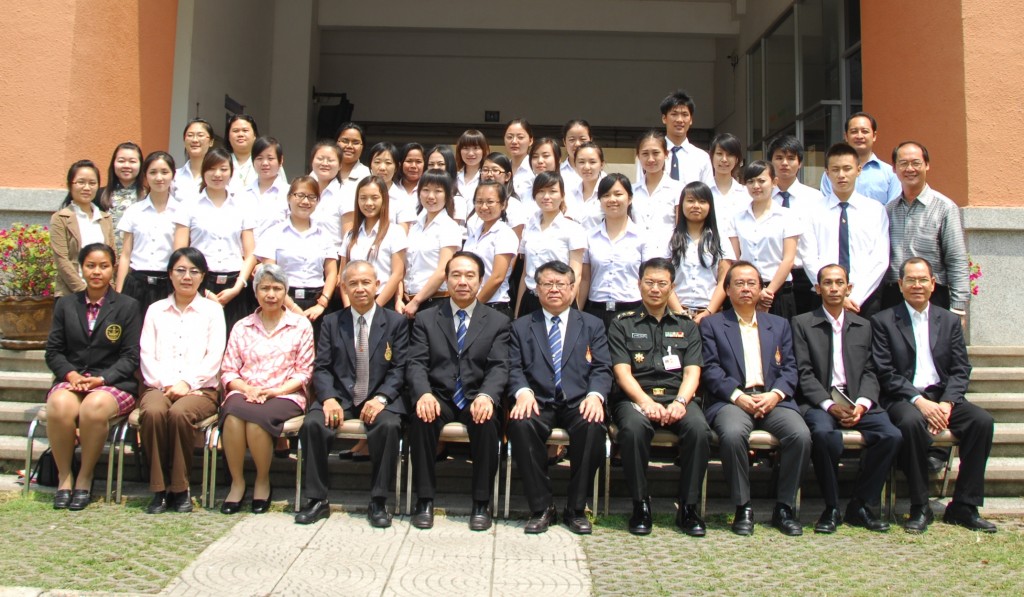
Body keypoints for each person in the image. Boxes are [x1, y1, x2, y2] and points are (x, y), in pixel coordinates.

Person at [871, 257, 996, 533]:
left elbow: (961, 368)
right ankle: (920, 505)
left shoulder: (949, 320)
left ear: (933, 284)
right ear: (900, 285)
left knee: (981, 422)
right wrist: (920, 403)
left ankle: (964, 505)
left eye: (923, 279)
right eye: (911, 280)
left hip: (943, 397)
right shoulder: (883, 321)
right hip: (904, 399)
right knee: (911, 423)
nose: (917, 285)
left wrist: (947, 404)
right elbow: (885, 372)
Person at [699, 261, 809, 536]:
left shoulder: (780, 324)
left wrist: (775, 394)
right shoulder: (713, 324)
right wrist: (737, 396)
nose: (746, 289)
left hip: (773, 399)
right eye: (739, 283)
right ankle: (742, 506)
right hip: (731, 400)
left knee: (800, 435)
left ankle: (784, 507)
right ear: (726, 289)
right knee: (734, 433)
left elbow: (791, 368)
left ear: (761, 288)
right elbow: (710, 369)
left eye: (752, 283)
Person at [296, 260, 409, 527]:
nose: (360, 288)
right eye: (353, 283)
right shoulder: (332, 322)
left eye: (366, 282)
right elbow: (321, 367)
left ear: (377, 285)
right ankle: (316, 500)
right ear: (344, 287)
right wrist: (328, 398)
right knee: (313, 424)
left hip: (381, 398)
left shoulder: (395, 322)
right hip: (341, 397)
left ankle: (379, 501)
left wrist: (381, 399)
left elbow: (400, 368)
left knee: (390, 426)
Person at [792, 264, 901, 534]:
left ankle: (860, 505)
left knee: (891, 435)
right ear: (817, 289)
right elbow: (803, 373)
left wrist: (862, 404)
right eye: (827, 283)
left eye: (839, 283)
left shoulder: (864, 325)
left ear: (848, 288)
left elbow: (871, 371)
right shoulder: (802, 323)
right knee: (823, 435)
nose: (833, 288)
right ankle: (831, 507)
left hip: (858, 401)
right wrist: (830, 405)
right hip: (820, 402)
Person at [406, 252, 510, 530]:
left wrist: (488, 396)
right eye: (456, 275)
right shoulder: (427, 319)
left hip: (476, 395)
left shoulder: (497, 321)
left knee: (487, 423)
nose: (462, 281)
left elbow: (500, 366)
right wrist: (424, 394)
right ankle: (424, 500)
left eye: (469, 275)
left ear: (480, 280)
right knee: (421, 418)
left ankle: (481, 503)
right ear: (446, 279)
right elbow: (415, 362)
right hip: (438, 395)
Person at [507, 260, 611, 535]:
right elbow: (513, 366)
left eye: (561, 284)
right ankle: (541, 507)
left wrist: (595, 395)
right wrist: (523, 391)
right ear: (536, 288)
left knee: (592, 427)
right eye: (547, 284)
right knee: (520, 424)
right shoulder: (521, 326)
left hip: (579, 401)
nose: (554, 290)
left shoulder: (592, 324)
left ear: (573, 287)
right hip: (538, 400)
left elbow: (602, 367)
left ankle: (576, 509)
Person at [608, 257, 709, 536]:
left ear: (672, 287)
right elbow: (622, 373)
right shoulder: (621, 323)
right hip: (635, 399)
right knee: (633, 429)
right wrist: (646, 403)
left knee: (699, 429)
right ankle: (640, 504)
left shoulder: (686, 325)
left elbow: (692, 373)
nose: (655, 289)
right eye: (649, 282)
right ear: (639, 284)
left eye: (662, 283)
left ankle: (688, 508)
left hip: (678, 398)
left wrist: (680, 402)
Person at [44, 243, 141, 510]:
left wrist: (103, 379)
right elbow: (53, 351)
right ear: (81, 268)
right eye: (90, 265)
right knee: (59, 404)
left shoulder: (127, 306)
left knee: (94, 407)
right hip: (73, 379)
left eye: (103, 266)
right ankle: (65, 478)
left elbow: (131, 356)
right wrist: (71, 374)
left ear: (113, 269)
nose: (96, 272)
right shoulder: (65, 305)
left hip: (111, 382)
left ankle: (85, 476)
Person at [219, 264, 314, 514]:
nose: (271, 294)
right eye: (265, 288)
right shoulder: (242, 326)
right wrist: (245, 388)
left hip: (286, 393)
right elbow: (228, 370)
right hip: (245, 390)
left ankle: (262, 480)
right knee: (232, 415)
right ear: (255, 291)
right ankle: (237, 482)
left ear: (286, 292)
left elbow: (304, 372)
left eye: (277, 288)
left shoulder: (300, 325)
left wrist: (275, 391)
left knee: (256, 420)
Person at [137, 247, 225, 514]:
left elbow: (215, 355)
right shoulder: (155, 310)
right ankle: (159, 489)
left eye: (194, 271)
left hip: (200, 389)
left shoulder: (212, 311)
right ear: (170, 274)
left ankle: (180, 488)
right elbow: (145, 352)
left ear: (203, 277)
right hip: (158, 385)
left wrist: (187, 383)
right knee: (153, 412)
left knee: (178, 414)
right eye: (181, 270)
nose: (187, 277)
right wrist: (164, 384)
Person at [882, 141, 970, 323]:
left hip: (933, 295)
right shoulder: (887, 210)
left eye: (916, 163)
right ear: (894, 169)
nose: (909, 169)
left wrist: (959, 308)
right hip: (893, 295)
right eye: (903, 163)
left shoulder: (945, 208)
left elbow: (956, 259)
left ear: (927, 165)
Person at [172, 147, 257, 333]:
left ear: (231, 173)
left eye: (223, 169)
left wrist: (237, 287)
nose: (217, 174)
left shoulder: (243, 206)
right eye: (211, 169)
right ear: (203, 172)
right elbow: (179, 253)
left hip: (235, 285)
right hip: (199, 285)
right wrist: (203, 290)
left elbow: (250, 253)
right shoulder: (188, 205)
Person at [802, 143, 890, 319]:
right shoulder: (812, 210)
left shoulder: (875, 210)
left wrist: (855, 297)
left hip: (864, 299)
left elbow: (880, 259)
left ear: (858, 170)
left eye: (847, 169)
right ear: (827, 173)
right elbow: (808, 256)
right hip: (823, 298)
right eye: (835, 169)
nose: (841, 175)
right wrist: (831, 291)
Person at [256, 176, 339, 339]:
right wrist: (293, 308)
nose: (305, 201)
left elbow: (331, 273)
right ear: (289, 198)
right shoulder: (273, 233)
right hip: (282, 303)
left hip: (317, 306)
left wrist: (322, 303)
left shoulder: (325, 235)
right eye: (300, 195)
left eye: (311, 197)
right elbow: (270, 276)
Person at [731, 160, 802, 319]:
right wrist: (752, 291)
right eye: (750, 181)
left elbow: (788, 259)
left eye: (761, 181)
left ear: (774, 182)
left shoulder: (788, 216)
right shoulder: (737, 218)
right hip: (746, 293)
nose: (756, 186)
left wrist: (768, 292)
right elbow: (735, 259)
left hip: (778, 293)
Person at [578, 174, 651, 328]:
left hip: (632, 311)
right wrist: (576, 313)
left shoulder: (643, 236)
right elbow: (585, 279)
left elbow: (649, 278)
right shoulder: (589, 236)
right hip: (596, 310)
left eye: (618, 194)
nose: (612, 199)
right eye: (606, 195)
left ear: (630, 198)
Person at [115, 151, 179, 315]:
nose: (159, 178)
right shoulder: (134, 211)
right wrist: (118, 293)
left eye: (164, 172)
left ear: (173, 174)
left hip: (167, 286)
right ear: (145, 176)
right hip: (136, 284)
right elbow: (126, 255)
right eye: (153, 172)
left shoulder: (181, 212)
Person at [516, 172, 586, 317]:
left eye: (552, 191)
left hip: (559, 300)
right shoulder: (529, 227)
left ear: (562, 195)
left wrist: (564, 308)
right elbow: (525, 274)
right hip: (530, 299)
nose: (546, 196)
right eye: (541, 191)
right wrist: (517, 312)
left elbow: (576, 274)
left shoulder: (573, 229)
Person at [663, 181, 733, 323]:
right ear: (681, 204)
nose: (696, 206)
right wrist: (680, 313)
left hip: (711, 315)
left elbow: (723, 281)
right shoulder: (669, 238)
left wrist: (708, 312)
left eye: (702, 201)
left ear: (710, 206)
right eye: (690, 201)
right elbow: (665, 279)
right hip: (676, 314)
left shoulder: (720, 238)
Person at [769, 135, 823, 315]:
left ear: (800, 163)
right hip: (772, 276)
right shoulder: (762, 198)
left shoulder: (815, 198)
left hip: (804, 276)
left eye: (791, 158)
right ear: (771, 162)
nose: (785, 163)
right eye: (779, 158)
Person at [398, 171, 462, 319]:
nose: (431, 196)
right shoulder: (415, 227)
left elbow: (442, 271)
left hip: (435, 302)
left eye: (438, 191)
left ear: (447, 195)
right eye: (426, 190)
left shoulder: (449, 227)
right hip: (408, 301)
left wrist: (416, 301)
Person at [340, 176, 407, 310]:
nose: (368, 203)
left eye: (374, 198)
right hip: (353, 304)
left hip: (382, 303)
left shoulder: (395, 232)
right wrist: (349, 309)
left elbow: (397, 274)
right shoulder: (350, 235)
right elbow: (343, 274)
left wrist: (374, 309)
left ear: (384, 200)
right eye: (363, 198)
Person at [51, 160, 116, 297]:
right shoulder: (61, 218)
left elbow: (112, 257)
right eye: (81, 182)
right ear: (70, 185)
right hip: (71, 295)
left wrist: (109, 290)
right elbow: (62, 260)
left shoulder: (105, 219)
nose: (87, 188)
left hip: (103, 297)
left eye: (92, 183)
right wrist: (84, 292)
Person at [462, 181, 518, 317]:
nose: (484, 206)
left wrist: (474, 305)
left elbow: (498, 277)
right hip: (470, 305)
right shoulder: (474, 234)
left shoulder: (504, 233)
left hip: (493, 306)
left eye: (490, 202)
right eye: (479, 201)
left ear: (503, 204)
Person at [819, 112, 900, 205]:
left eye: (865, 131)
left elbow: (893, 210)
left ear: (874, 136)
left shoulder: (890, 173)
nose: (859, 136)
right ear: (846, 136)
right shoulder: (831, 173)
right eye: (854, 131)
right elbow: (826, 206)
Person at [632, 130, 684, 231]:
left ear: (666, 154)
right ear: (638, 156)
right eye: (645, 154)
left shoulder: (678, 190)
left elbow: (681, 229)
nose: (651, 159)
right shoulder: (631, 191)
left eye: (656, 153)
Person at [657, 90, 712, 185]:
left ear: (691, 120)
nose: (679, 120)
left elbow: (707, 194)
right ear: (664, 118)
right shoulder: (652, 155)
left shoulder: (702, 157)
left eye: (685, 115)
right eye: (674, 114)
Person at [307, 141, 351, 251]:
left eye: (330, 160)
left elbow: (348, 237)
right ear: (312, 161)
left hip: (332, 258)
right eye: (320, 159)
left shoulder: (346, 194)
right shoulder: (302, 192)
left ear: (340, 165)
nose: (325, 163)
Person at [100, 141, 144, 247]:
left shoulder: (148, 196)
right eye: (121, 161)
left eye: (132, 161)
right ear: (113, 163)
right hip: (105, 260)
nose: (126, 165)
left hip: (137, 260)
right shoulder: (100, 195)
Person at [245, 136, 290, 240]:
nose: (265, 163)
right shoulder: (242, 194)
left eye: (270, 158)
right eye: (259, 158)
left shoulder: (289, 193)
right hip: (246, 255)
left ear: (281, 160)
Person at [565, 142, 606, 231]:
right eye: (581, 162)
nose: (587, 167)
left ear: (602, 164)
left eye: (592, 162)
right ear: (575, 164)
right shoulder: (569, 192)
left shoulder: (609, 191)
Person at [174, 118, 214, 202]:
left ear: (211, 142)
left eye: (200, 135)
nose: (195, 140)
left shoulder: (219, 176)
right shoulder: (174, 176)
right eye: (190, 135)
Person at [391, 143, 426, 226]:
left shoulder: (429, 191)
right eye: (409, 161)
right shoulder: (392, 188)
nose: (413, 166)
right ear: (400, 164)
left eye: (418, 162)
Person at [504, 119, 535, 203]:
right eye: (509, 137)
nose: (514, 141)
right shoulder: (501, 169)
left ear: (530, 140)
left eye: (520, 137)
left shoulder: (536, 168)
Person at [455, 129, 489, 207]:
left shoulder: (488, 178)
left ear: (483, 150)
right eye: (466, 148)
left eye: (476, 148)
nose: (470, 153)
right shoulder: (453, 177)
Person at [225, 114, 259, 191]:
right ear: (228, 136)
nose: (240, 134)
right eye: (235, 131)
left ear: (254, 135)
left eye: (245, 130)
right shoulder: (220, 161)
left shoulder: (267, 162)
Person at [335, 122, 372, 188]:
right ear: (336, 143)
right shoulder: (322, 171)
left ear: (363, 147)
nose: (349, 146)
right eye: (345, 141)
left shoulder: (369, 175)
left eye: (356, 143)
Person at [560, 119, 591, 191]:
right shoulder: (557, 173)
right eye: (572, 139)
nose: (577, 144)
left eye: (582, 139)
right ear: (564, 142)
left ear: (591, 140)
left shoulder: (601, 175)